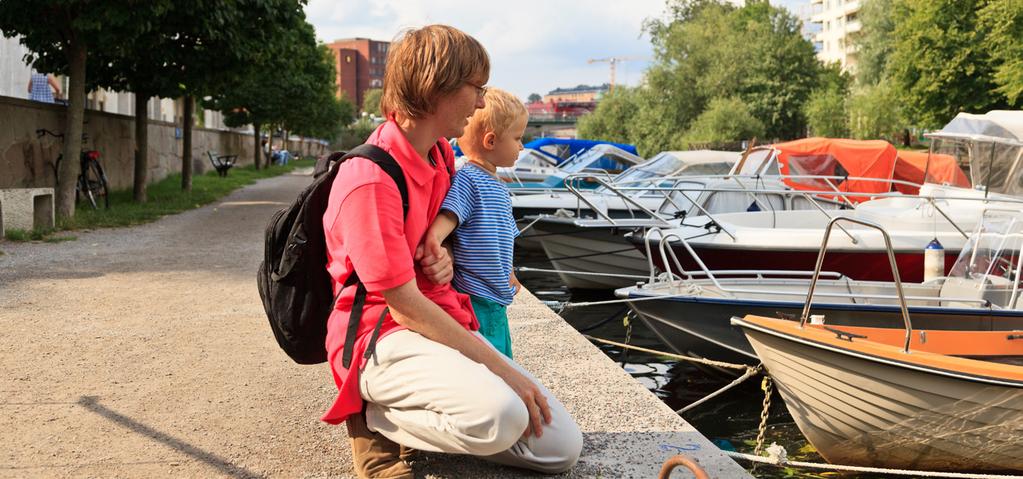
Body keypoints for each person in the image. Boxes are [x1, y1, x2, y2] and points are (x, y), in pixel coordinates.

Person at [321, 25, 582, 479]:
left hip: (439, 319)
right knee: (504, 412)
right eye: (476, 89)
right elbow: (404, 308)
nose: (482, 103)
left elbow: (437, 239)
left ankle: (450, 417)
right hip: (379, 336)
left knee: (562, 447)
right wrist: (505, 371)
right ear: (437, 88)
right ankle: (372, 417)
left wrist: (442, 255)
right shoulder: (370, 179)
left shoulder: (440, 156)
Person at [424, 88, 527, 358]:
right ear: (491, 141)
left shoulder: (498, 186)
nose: (522, 146)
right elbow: (448, 218)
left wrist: (510, 271)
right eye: (518, 138)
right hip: (475, 298)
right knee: (487, 362)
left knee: (504, 359)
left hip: (496, 299)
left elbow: (501, 238)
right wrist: (433, 243)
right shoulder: (469, 180)